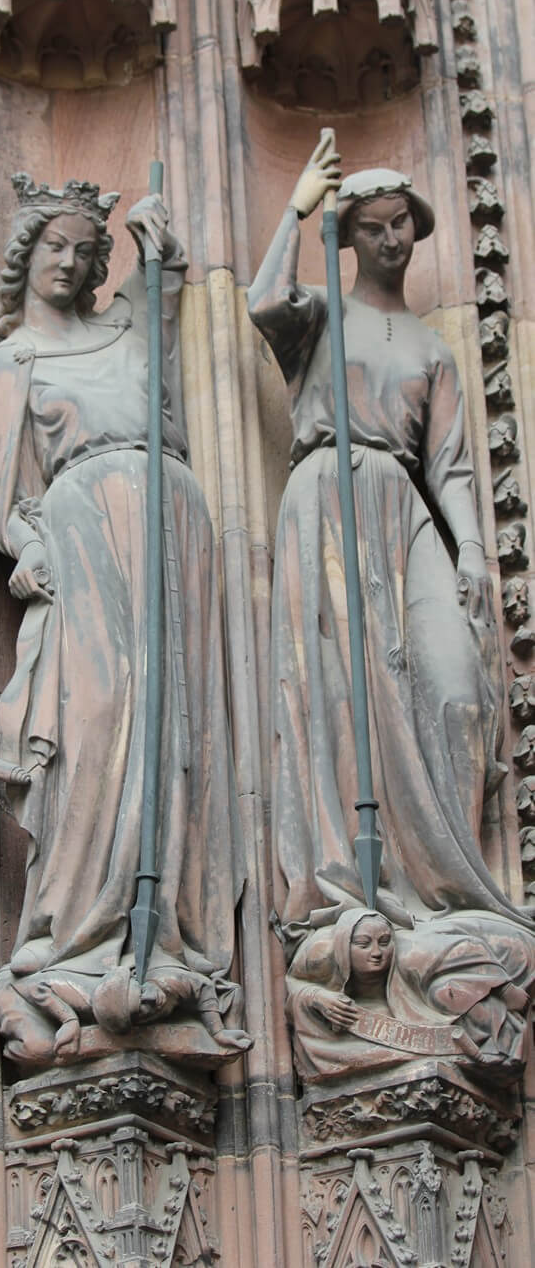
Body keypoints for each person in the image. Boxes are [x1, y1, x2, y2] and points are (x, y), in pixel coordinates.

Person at [0, 173, 247, 1061]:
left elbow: (161, 293)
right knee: (99, 719)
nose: (70, 260)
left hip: (172, 530)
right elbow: (3, 498)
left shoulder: (128, 331)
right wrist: (30, 549)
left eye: (86, 252)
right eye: (55, 244)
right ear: (26, 255)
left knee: (175, 734)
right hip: (84, 529)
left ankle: (161, 924)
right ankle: (77, 928)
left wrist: (150, 242)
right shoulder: (10, 363)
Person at [248, 137, 530, 952]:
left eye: (401, 222)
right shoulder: (320, 313)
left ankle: (444, 878)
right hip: (327, 494)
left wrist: (472, 549)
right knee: (341, 691)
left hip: (400, 503)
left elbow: (451, 467)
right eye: (371, 226)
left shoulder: (431, 349)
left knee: (454, 685)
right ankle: (360, 881)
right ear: (350, 236)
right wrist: (299, 208)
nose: (390, 239)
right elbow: (264, 302)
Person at [287, 908, 535, 1083]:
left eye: (384, 942)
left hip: (504, 955)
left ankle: (492, 1039)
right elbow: (290, 983)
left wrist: (504, 989)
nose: (377, 953)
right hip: (358, 1025)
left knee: (451, 998)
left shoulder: (410, 955)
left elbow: (468, 948)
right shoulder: (319, 953)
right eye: (363, 944)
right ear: (344, 945)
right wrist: (316, 996)